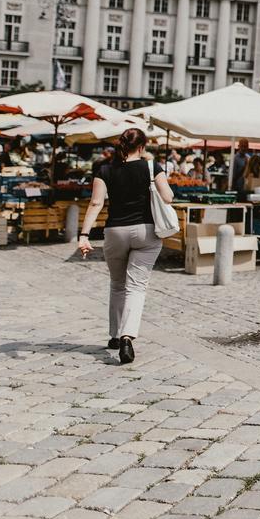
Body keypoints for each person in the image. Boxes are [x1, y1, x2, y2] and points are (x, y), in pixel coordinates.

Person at [77, 127, 175, 365]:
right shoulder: (152, 167)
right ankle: (126, 337)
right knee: (136, 286)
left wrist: (84, 234)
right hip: (146, 231)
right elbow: (168, 197)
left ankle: (113, 335)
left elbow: (96, 202)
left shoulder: (105, 169)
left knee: (117, 284)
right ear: (142, 146)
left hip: (115, 231)